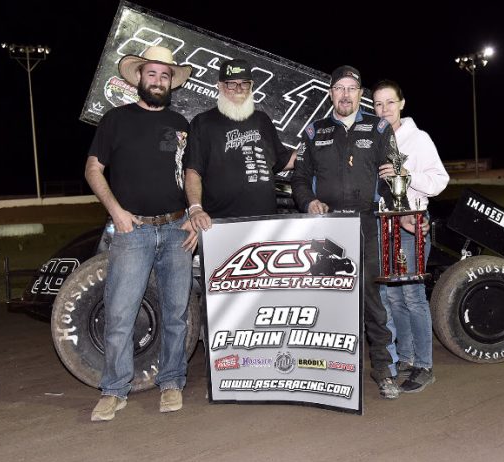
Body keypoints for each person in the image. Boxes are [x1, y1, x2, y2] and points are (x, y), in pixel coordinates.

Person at [85, 46, 198, 421]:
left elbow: (194, 175)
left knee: (176, 314)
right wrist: (116, 212)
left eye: (165, 76)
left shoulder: (182, 124)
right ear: (139, 77)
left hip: (177, 230)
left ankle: (172, 382)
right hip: (132, 232)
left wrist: (194, 215)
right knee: (120, 314)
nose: (158, 81)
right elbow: (93, 169)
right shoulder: (115, 120)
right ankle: (114, 389)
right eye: (152, 74)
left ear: (171, 83)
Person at [291, 65, 403, 399]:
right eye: (339, 88)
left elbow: (393, 176)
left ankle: (383, 370)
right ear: (331, 94)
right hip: (326, 228)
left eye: (351, 88)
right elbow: (299, 179)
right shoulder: (315, 131)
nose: (345, 94)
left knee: (372, 301)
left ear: (360, 94)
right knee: (328, 301)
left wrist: (396, 199)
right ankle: (329, 372)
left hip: (366, 224)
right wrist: (309, 201)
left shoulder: (379, 128)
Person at [373, 79, 449, 393]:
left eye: (390, 102)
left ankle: (424, 365)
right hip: (384, 225)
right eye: (378, 104)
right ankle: (405, 357)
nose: (384, 109)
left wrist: (407, 175)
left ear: (402, 103)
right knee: (392, 297)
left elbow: (440, 180)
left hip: (412, 224)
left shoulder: (419, 139)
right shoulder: (374, 138)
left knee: (413, 296)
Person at [184, 58, 295, 229]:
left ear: (251, 86)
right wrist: (196, 209)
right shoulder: (202, 122)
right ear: (220, 86)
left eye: (244, 83)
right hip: (220, 223)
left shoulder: (262, 120)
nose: (238, 89)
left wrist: (314, 150)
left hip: (265, 222)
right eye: (231, 84)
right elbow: (192, 171)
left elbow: (282, 161)